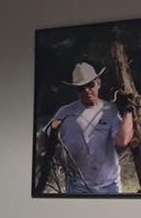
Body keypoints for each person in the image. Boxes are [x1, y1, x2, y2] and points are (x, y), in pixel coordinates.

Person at [43, 62, 134, 195]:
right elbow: (44, 136)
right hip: (77, 186)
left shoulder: (110, 110)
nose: (86, 90)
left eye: (90, 85)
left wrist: (128, 110)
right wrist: (53, 130)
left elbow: (123, 140)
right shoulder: (65, 111)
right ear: (76, 90)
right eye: (81, 88)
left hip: (109, 186)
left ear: (98, 83)